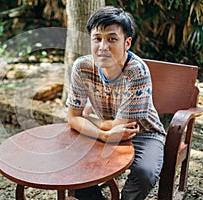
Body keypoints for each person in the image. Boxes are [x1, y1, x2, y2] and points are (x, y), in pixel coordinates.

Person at [66, 6, 166, 200]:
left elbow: (123, 127)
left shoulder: (137, 71)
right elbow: (73, 118)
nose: (103, 46)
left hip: (144, 133)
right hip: (106, 133)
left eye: (112, 39)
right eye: (97, 39)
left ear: (127, 42)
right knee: (73, 163)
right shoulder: (82, 67)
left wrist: (89, 121)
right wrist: (102, 132)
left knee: (144, 173)